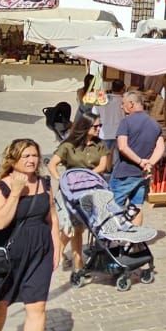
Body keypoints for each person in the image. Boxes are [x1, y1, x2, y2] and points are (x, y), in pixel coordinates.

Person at [0, 138, 64, 331]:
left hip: (39, 251)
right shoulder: (0, 187)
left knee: (37, 306)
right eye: (25, 156)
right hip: (7, 254)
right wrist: (16, 193)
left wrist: (57, 245)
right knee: (0, 303)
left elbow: (51, 215)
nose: (31, 161)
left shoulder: (44, 184)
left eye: (34, 156)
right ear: (13, 160)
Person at [48, 114, 111, 275]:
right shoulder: (68, 145)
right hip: (72, 191)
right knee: (73, 227)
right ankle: (76, 262)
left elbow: (103, 165)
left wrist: (86, 176)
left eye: (100, 126)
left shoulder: (99, 145)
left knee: (82, 227)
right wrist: (61, 179)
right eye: (95, 127)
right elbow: (52, 164)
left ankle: (65, 254)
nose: (99, 129)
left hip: (93, 189)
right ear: (85, 127)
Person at [110, 90, 166, 222]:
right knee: (136, 207)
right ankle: (135, 239)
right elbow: (160, 147)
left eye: (123, 103)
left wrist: (141, 161)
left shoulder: (126, 122)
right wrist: (150, 163)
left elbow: (122, 146)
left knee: (113, 207)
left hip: (124, 173)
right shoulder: (154, 124)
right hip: (142, 174)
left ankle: (115, 239)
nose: (121, 106)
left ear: (131, 104)